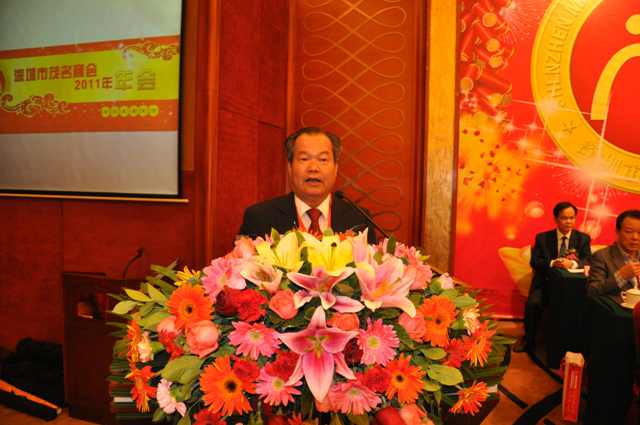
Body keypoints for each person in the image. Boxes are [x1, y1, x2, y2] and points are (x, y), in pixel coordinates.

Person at [238, 127, 377, 243]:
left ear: (336, 168)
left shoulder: (359, 219)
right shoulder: (259, 218)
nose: (313, 168)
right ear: (290, 167)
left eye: (323, 159)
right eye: (304, 159)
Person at [514, 201, 592, 352]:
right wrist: (552, 263)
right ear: (556, 219)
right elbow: (535, 262)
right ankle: (528, 340)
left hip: (571, 287)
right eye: (564, 218)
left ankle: (573, 344)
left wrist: (573, 264)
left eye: (572, 218)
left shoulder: (583, 239)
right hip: (546, 283)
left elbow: (588, 260)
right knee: (533, 304)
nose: (568, 222)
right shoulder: (542, 238)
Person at [587, 209, 640, 297]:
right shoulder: (601, 256)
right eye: (629, 231)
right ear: (617, 231)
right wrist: (621, 276)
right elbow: (592, 290)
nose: (635, 237)